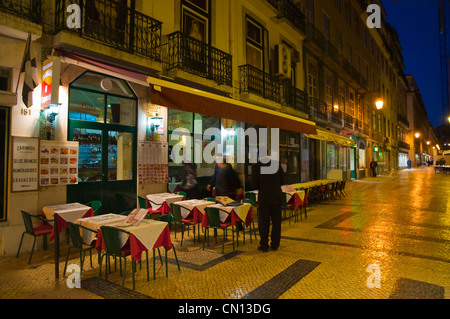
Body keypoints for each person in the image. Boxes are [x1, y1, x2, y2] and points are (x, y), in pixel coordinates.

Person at [251, 158, 284, 252]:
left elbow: (254, 185)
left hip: (264, 199)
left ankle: (264, 245)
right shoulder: (276, 164)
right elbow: (282, 181)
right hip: (277, 198)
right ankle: (275, 245)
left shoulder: (256, 166)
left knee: (263, 224)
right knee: (276, 224)